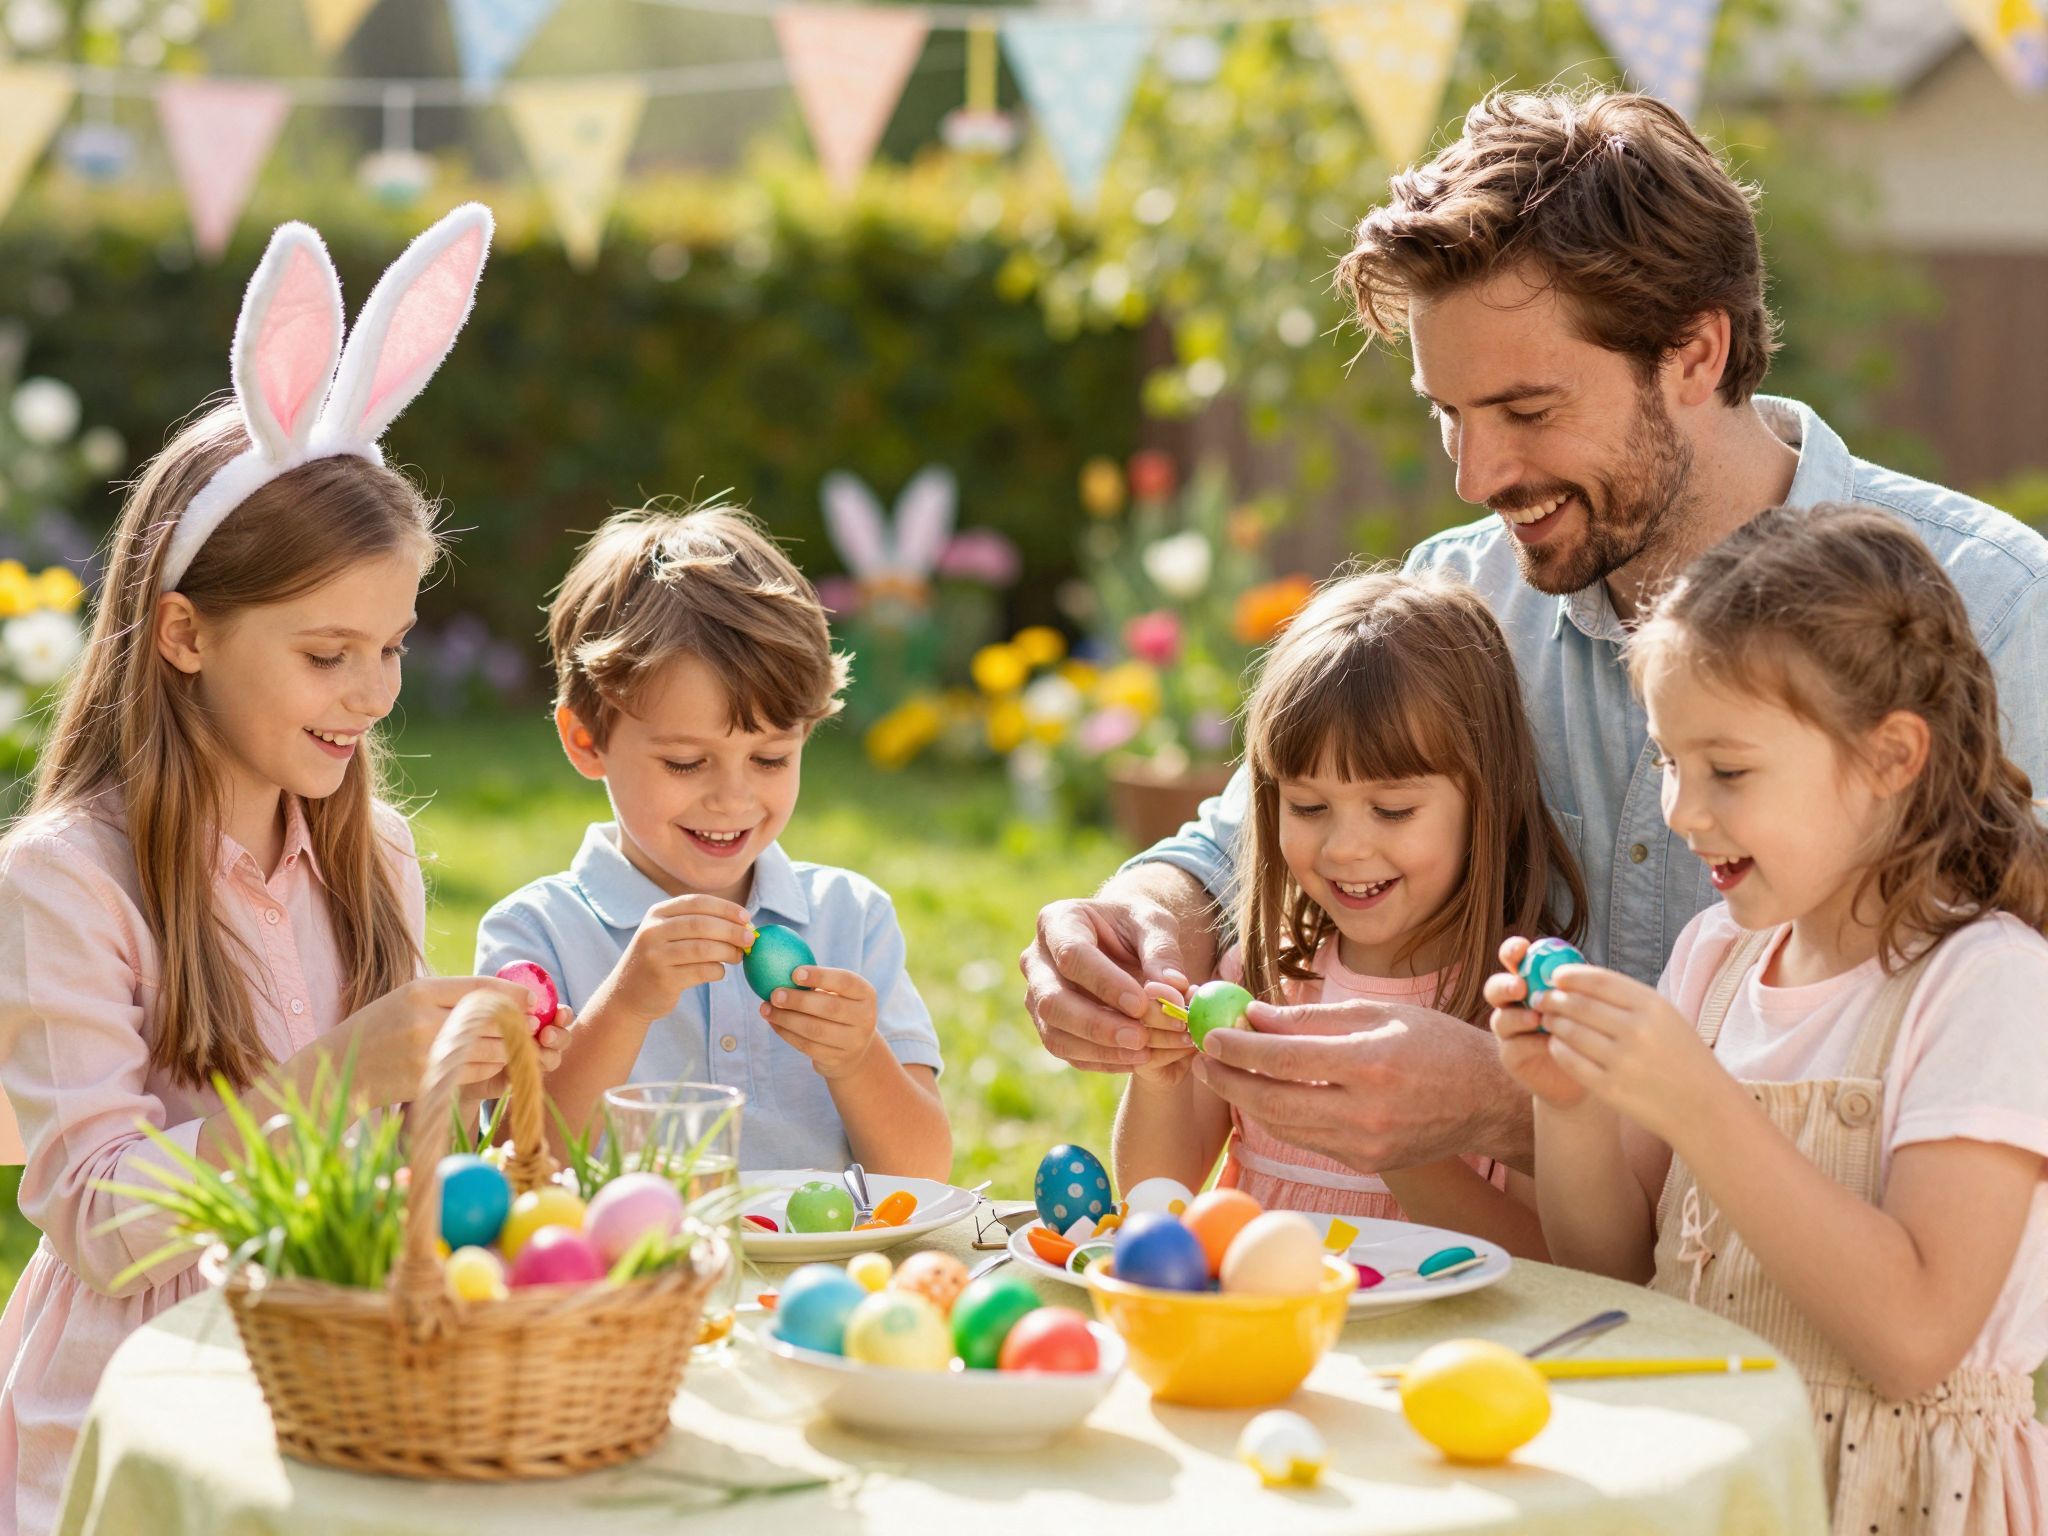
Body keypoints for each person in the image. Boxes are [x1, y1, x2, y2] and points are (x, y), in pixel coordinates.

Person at [1022, 86, 2048, 1188]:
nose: (1476, 478)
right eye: (1447, 414)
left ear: (1694, 354)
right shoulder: (1459, 600)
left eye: (1525, 411)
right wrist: (1145, 922)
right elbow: (1238, 847)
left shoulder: (1994, 609)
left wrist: (1523, 1105)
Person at [0, 207, 561, 1536]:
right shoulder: (65, 883)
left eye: (394, 645)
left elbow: (387, 1162)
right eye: (327, 655)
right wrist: (336, 1079)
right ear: (184, 633)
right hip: (136, 1417)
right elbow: (98, 1219)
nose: (373, 693)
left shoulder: (375, 858)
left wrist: (464, 1096)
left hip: (344, 1380)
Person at [1490, 504, 2048, 1534]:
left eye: (1727, 771)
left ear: (1890, 757)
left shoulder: (1986, 986)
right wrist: (1567, 1108)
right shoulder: (1717, 958)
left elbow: (1915, 1335)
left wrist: (1700, 1105)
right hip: (1719, 1484)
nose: (1679, 812)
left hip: (1898, 1502)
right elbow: (1615, 1275)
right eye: (1667, 761)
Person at [1114, 571, 1582, 1254]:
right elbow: (1152, 1201)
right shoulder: (1261, 976)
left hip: (1428, 1350)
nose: (1346, 847)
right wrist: (1158, 1078)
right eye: (1308, 807)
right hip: (1266, 1334)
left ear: (1488, 801)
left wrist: (1394, 1142)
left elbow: (1544, 1261)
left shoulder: (1516, 1008)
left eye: (1393, 810)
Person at [476, 505, 951, 1176]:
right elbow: (511, 1167)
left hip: (828, 1275)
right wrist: (624, 1007)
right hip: (628, 1278)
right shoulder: (537, 933)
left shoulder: (851, 918)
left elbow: (925, 1173)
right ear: (588, 740)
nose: (732, 799)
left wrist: (856, 1057)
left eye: (770, 760)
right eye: (685, 763)